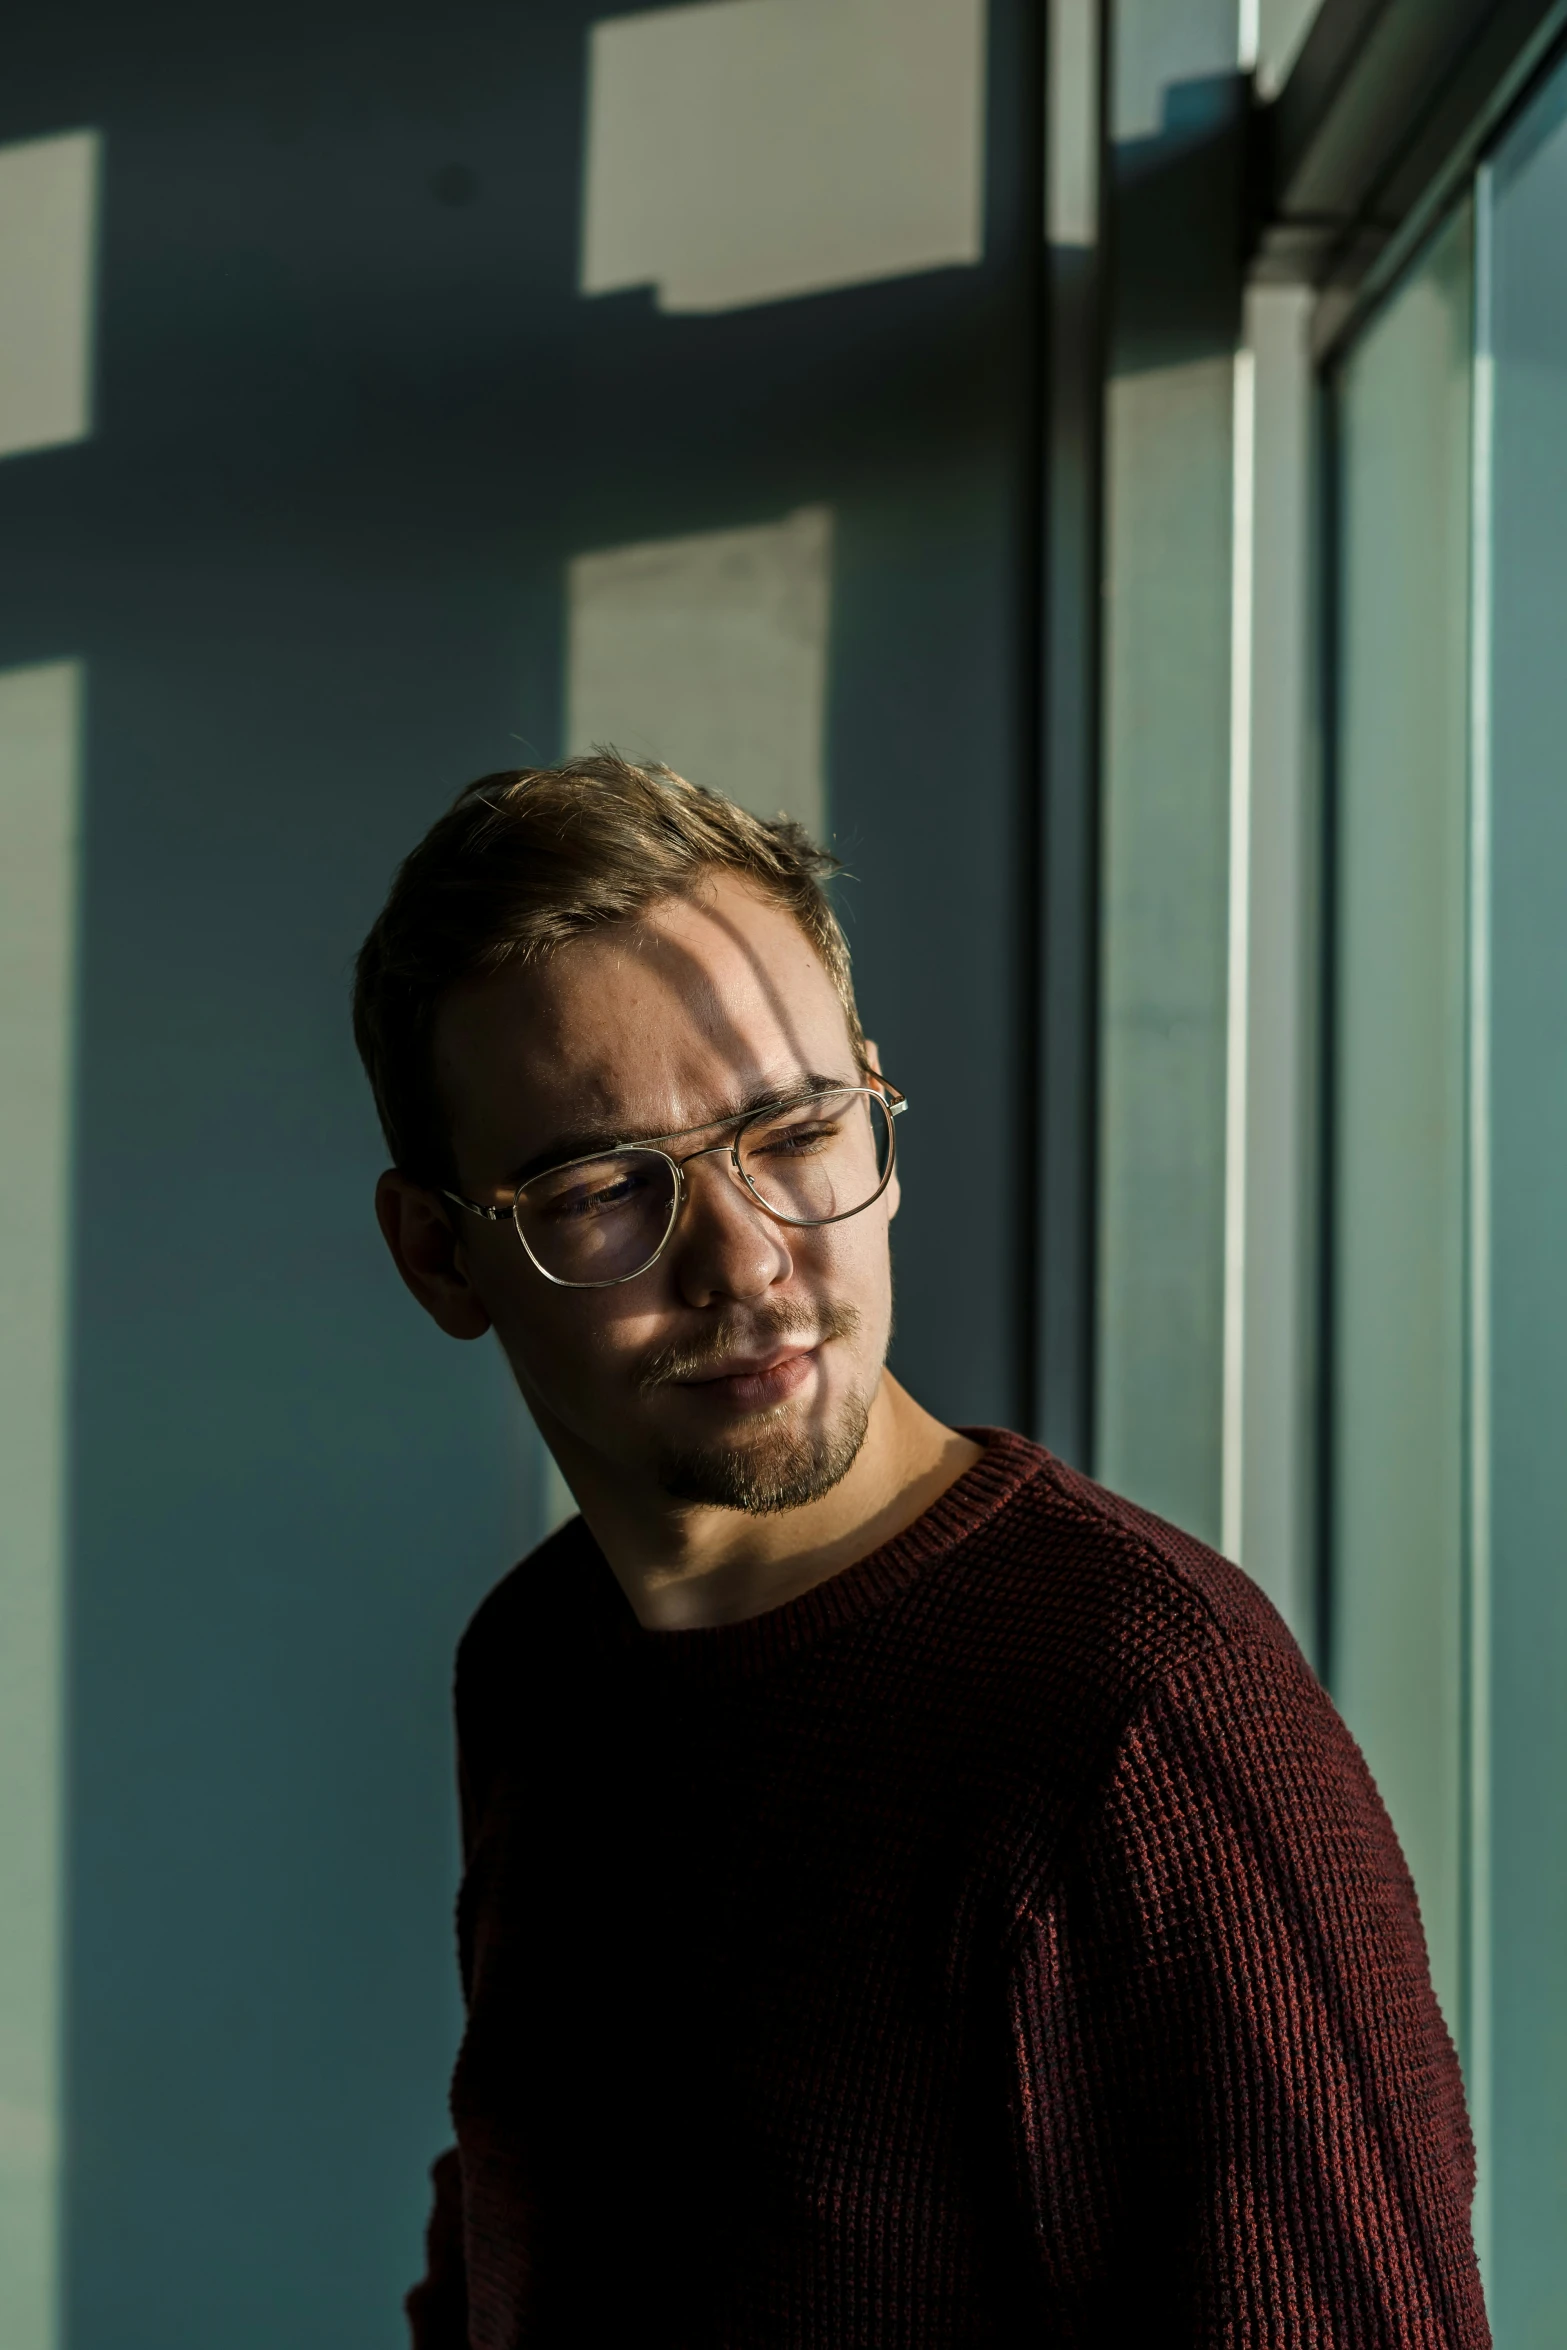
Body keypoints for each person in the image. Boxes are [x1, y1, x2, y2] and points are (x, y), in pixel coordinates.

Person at [355, 755, 1487, 2348]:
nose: (746, 1260)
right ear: (439, 1252)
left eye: (795, 1129)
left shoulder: (1137, 1720)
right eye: (607, 1185)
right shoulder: (542, 1658)